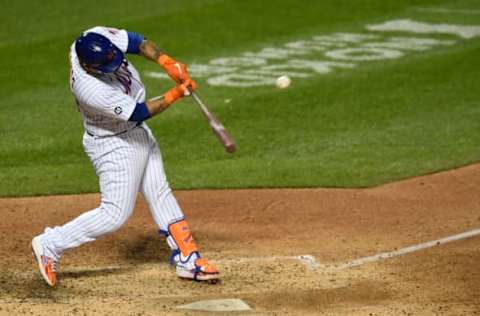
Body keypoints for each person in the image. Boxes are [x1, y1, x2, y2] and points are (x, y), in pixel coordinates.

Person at [31, 26, 219, 287]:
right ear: (89, 66)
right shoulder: (89, 89)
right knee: (114, 214)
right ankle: (51, 243)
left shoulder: (95, 36)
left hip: (135, 133)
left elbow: (136, 41)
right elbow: (137, 112)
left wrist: (167, 61)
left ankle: (188, 258)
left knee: (159, 191)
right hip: (114, 144)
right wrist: (176, 94)